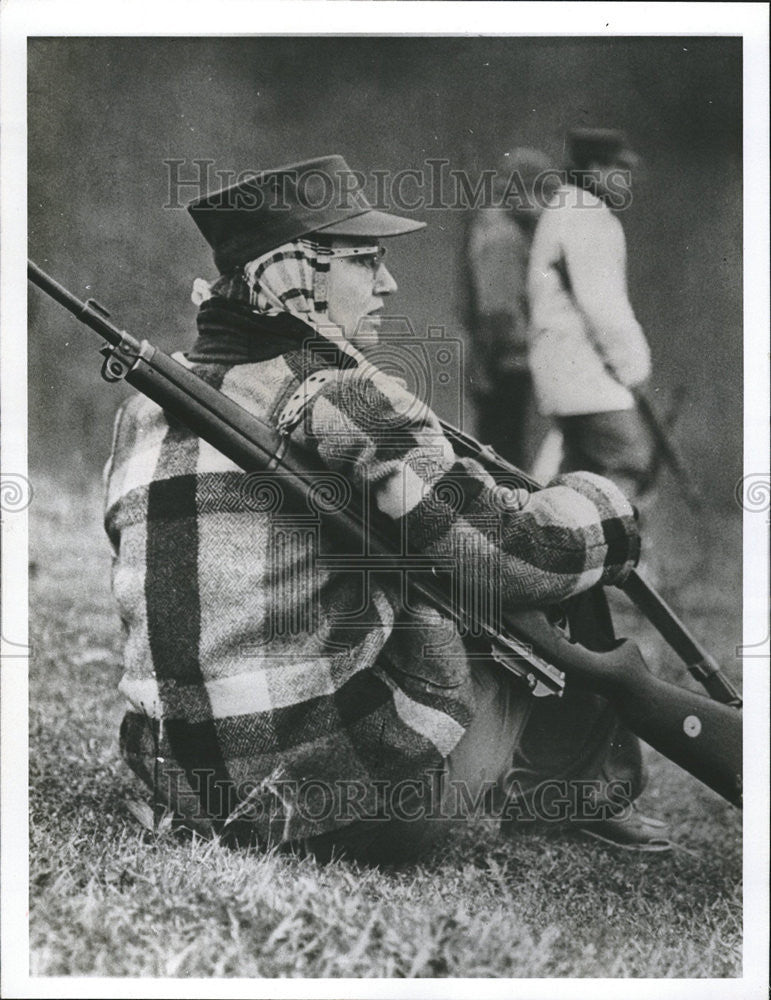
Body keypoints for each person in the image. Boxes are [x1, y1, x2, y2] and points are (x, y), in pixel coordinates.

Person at [104, 155, 670, 863]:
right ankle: (573, 799)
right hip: (357, 812)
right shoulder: (347, 395)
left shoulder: (142, 410)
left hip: (185, 788)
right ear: (293, 277)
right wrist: (601, 504)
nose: (388, 282)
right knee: (545, 562)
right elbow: (520, 556)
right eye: (364, 260)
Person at [527, 128, 655, 500]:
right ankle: (609, 551)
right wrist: (634, 367)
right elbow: (603, 306)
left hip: (568, 373)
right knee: (627, 463)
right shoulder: (588, 217)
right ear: (595, 168)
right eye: (620, 168)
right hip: (587, 375)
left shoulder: (566, 210)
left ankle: (569, 550)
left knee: (578, 477)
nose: (627, 179)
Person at [463, 148, 556, 469]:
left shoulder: (501, 227)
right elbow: (497, 309)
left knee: (502, 454)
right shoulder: (504, 235)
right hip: (505, 362)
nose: (543, 206)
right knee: (504, 460)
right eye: (539, 193)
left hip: (502, 359)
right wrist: (489, 362)